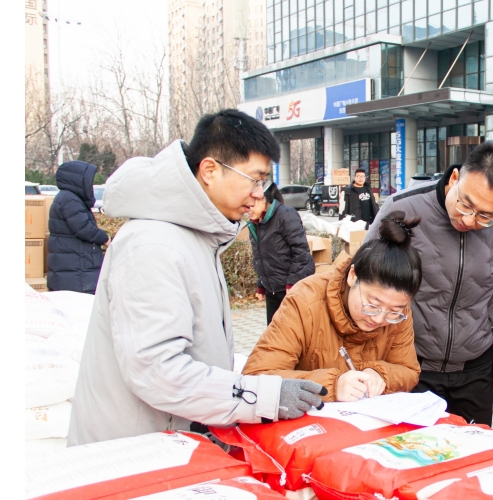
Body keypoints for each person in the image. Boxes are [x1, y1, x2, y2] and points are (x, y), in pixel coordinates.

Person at [68, 109, 327, 446]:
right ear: (209, 170)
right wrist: (262, 396)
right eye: (255, 178)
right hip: (134, 453)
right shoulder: (155, 245)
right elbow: (158, 371)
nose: (259, 193)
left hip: (171, 441)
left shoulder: (198, 235)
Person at [364, 142, 493, 425]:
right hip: (408, 363)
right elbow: (364, 280)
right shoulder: (404, 207)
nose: (469, 219)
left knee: (472, 456)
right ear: (455, 178)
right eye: (466, 203)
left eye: (485, 216)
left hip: (475, 367)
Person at [243, 211, 422, 401]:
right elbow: (255, 378)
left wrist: (380, 374)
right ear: (353, 276)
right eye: (372, 305)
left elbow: (408, 370)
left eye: (394, 312)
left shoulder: (396, 311)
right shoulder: (305, 300)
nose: (379, 318)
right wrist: (332, 385)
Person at [248, 183, 315, 324]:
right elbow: (261, 257)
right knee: (274, 334)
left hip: (290, 288)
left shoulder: (285, 214)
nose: (248, 209)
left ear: (264, 199)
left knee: (292, 334)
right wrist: (261, 284)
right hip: (272, 288)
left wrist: (292, 283)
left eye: (251, 204)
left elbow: (301, 252)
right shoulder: (255, 223)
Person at [46, 161, 110, 294]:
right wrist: (104, 238)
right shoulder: (70, 200)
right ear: (78, 180)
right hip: (76, 271)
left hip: (73, 269)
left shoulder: (68, 198)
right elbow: (84, 228)